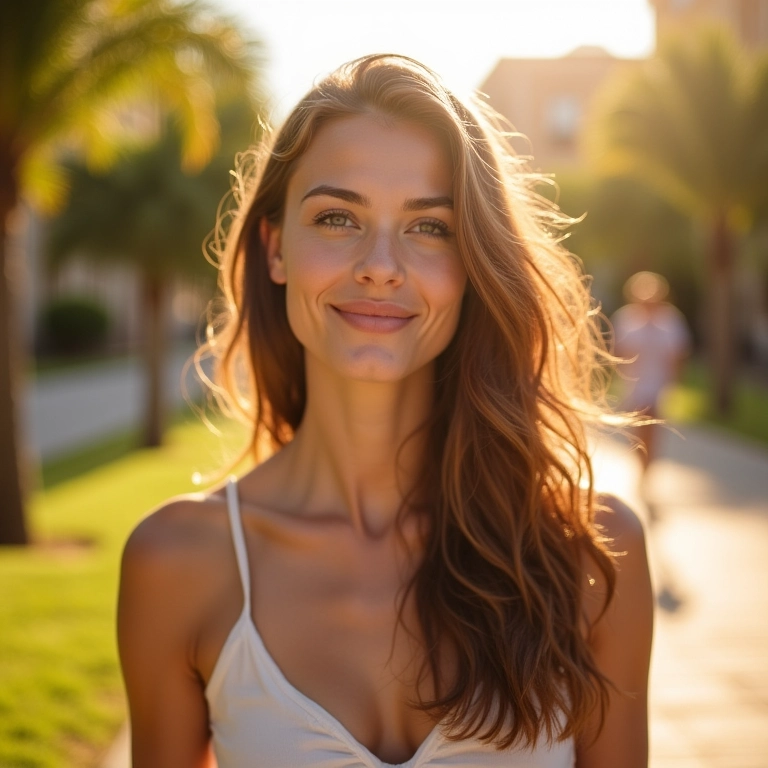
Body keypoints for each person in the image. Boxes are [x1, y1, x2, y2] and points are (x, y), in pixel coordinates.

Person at [118, 54, 653, 768]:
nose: (380, 264)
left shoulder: (588, 553)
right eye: (338, 217)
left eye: (429, 227)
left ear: (472, 263)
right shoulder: (180, 564)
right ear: (276, 248)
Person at [612, 271, 691, 474]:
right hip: (634, 382)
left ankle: (649, 463)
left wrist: (675, 380)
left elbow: (678, 352)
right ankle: (641, 461)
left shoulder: (670, 320)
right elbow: (617, 351)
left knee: (652, 424)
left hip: (658, 382)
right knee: (638, 426)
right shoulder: (626, 318)